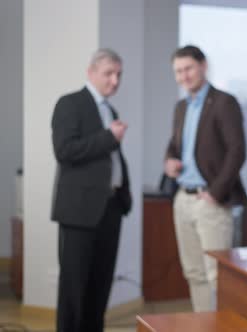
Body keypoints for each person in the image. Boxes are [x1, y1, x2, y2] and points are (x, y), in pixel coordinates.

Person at [51, 48, 132, 332]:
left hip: (110, 209)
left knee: (100, 286)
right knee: (75, 289)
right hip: (79, 212)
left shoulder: (111, 110)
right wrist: (109, 137)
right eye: (108, 73)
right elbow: (65, 151)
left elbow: (110, 161)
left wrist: (123, 196)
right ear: (91, 72)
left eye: (119, 74)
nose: (115, 81)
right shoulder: (70, 103)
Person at [164, 45, 247, 311]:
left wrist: (214, 192)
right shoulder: (181, 107)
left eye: (188, 68)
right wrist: (169, 161)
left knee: (216, 276)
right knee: (194, 273)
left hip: (210, 201)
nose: (184, 76)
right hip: (182, 199)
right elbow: (175, 145)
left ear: (203, 66)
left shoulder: (224, 102)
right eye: (178, 71)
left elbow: (237, 151)